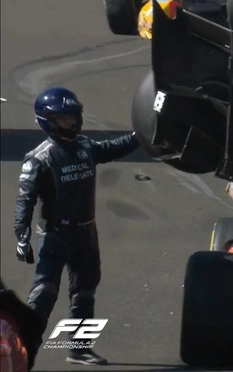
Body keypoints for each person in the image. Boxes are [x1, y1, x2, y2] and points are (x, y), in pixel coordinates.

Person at [14, 87, 140, 366]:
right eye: (64, 118)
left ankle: (80, 349)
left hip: (86, 233)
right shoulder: (39, 158)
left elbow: (114, 148)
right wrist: (21, 236)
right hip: (55, 234)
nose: (71, 122)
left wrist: (141, 134)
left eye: (73, 116)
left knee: (84, 292)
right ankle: (21, 352)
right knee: (43, 294)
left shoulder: (85, 146)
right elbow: (25, 200)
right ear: (48, 121)